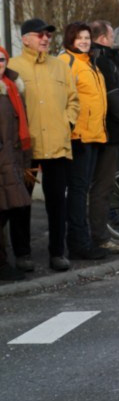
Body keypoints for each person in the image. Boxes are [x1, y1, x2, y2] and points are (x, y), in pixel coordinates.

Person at [9, 18, 79, 272]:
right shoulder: (14, 67)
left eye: (48, 35)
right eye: (40, 35)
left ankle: (57, 253)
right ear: (25, 38)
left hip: (57, 145)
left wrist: (67, 123)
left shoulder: (59, 67)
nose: (45, 39)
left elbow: (73, 100)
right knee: (21, 204)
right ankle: (23, 254)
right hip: (26, 149)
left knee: (57, 203)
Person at [59, 22, 109, 261]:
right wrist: (71, 131)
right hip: (78, 137)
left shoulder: (89, 63)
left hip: (94, 135)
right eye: (79, 38)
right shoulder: (66, 62)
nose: (84, 41)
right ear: (70, 40)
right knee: (77, 192)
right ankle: (79, 243)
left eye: (87, 37)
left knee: (82, 191)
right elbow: (65, 100)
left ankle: (81, 240)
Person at [88, 20, 119, 255]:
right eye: (111, 34)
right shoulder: (104, 60)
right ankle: (100, 236)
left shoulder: (103, 58)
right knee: (102, 187)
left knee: (100, 186)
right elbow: (114, 95)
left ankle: (98, 234)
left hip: (106, 130)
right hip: (108, 131)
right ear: (105, 38)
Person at [0, 44, 33, 280]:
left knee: (14, 208)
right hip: (3, 159)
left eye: (2, 60)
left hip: (13, 159)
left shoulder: (12, 87)